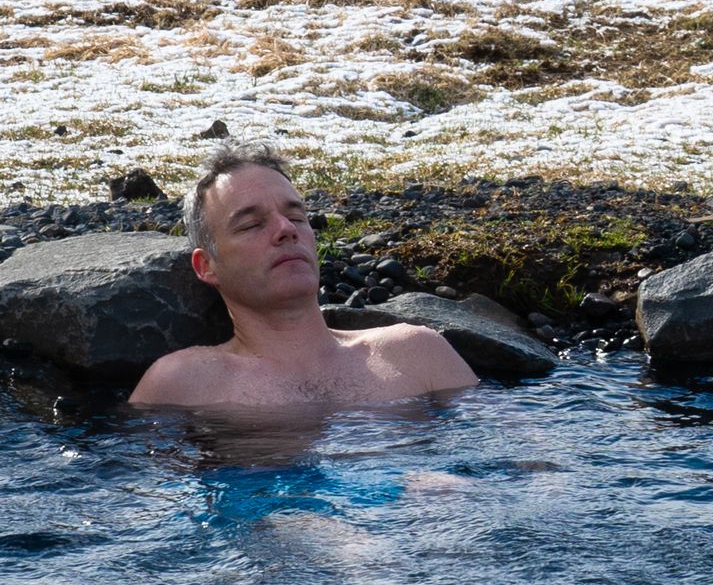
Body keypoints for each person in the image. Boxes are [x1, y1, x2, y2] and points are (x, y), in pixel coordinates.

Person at [129, 145, 475, 411]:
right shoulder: (184, 384)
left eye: (296, 217)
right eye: (251, 224)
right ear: (206, 266)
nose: (284, 230)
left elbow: (508, 460)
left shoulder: (415, 352)